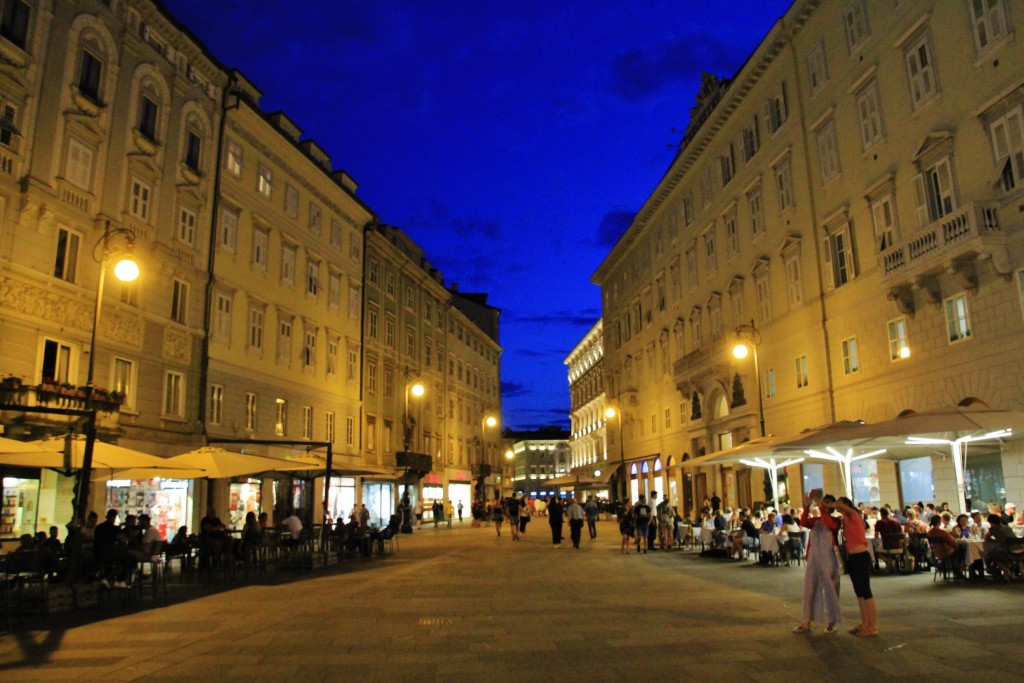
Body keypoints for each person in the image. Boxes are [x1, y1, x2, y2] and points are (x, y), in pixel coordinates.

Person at [824, 495, 877, 637]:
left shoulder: (853, 513)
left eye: (840, 504)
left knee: (866, 592)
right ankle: (865, 623)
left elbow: (842, 508)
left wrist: (832, 504)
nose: (837, 506)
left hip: (860, 555)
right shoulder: (845, 519)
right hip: (852, 557)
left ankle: (871, 626)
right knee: (859, 592)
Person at [793, 492, 842, 634]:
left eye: (827, 503)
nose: (824, 505)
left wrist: (820, 506)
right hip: (814, 558)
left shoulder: (835, 521)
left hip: (829, 558)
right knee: (809, 588)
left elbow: (830, 524)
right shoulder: (816, 520)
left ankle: (832, 621)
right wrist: (807, 506)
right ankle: (805, 621)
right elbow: (803, 522)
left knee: (831, 589)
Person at [927, 514, 966, 579]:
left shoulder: (930, 533)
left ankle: (956, 571)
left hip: (937, 553)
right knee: (962, 551)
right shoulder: (942, 532)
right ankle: (958, 571)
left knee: (958, 552)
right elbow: (953, 543)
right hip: (947, 552)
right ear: (939, 522)